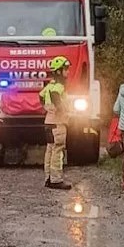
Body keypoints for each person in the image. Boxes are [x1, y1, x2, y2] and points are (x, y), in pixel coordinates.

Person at [39, 56, 72, 190]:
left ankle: (48, 178)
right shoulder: (58, 86)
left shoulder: (49, 85)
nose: (68, 72)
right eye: (66, 69)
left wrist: (47, 108)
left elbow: (41, 96)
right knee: (58, 150)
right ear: (59, 71)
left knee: (50, 150)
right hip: (58, 123)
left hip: (49, 121)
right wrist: (61, 109)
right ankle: (56, 180)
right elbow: (55, 95)